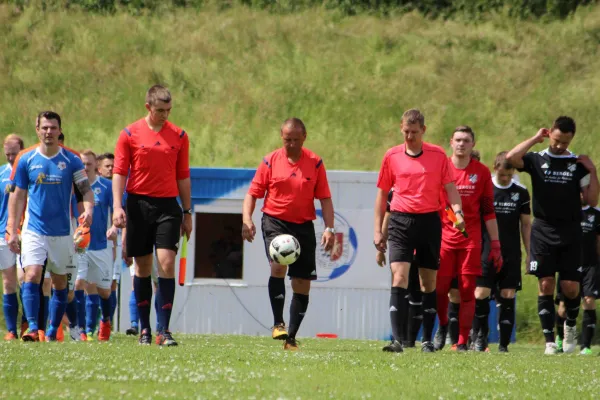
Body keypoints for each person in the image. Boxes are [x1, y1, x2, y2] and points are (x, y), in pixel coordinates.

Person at [506, 116, 599, 354]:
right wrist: (535, 139)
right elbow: (511, 158)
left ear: (571, 140)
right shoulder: (537, 159)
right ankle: (549, 342)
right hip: (543, 229)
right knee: (545, 283)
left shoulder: (577, 165)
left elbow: (591, 200)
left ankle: (569, 326)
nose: (559, 146)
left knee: (570, 288)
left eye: (565, 143)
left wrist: (593, 170)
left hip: (571, 231)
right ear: (551, 134)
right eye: (556, 140)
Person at [374, 109, 464, 353]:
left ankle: (426, 341)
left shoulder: (437, 155)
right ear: (401, 128)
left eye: (414, 132)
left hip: (429, 221)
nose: (410, 136)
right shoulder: (391, 155)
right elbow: (382, 194)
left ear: (424, 130)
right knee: (399, 277)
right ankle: (397, 340)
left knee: (428, 282)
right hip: (401, 221)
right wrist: (378, 230)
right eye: (406, 132)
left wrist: (458, 212)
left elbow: (450, 189)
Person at [242, 118, 335, 351]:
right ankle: (278, 323)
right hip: (275, 222)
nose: (291, 144)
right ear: (281, 138)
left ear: (304, 137)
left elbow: (324, 198)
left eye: (295, 139)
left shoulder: (315, 163)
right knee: (278, 266)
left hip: (303, 226)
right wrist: (247, 220)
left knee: (302, 283)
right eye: (286, 140)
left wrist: (329, 228)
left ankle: (291, 338)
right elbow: (252, 194)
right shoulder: (270, 161)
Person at [113, 85, 192, 346]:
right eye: (160, 111)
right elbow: (120, 172)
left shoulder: (180, 136)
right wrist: (118, 206)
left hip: (168, 207)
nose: (165, 115)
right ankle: (145, 329)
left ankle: (164, 330)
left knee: (166, 263)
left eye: (169, 111)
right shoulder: (129, 134)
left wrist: (187, 211)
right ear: (148, 107)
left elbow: (183, 175)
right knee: (143, 267)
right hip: (138, 205)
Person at [8, 111, 94, 342]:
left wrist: (88, 210)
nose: (48, 132)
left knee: (59, 283)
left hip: (63, 232)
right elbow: (17, 196)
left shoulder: (72, 160)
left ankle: (52, 331)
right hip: (34, 229)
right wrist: (11, 229)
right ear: (37, 130)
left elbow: (85, 190)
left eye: (53, 128)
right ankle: (33, 328)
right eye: (44, 127)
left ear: (59, 130)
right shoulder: (26, 159)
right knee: (32, 275)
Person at [434, 126, 503, 352]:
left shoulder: (481, 173)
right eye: (458, 140)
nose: (462, 144)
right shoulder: (440, 168)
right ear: (451, 143)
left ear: (473, 144)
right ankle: (443, 326)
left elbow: (488, 211)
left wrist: (495, 244)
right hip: (444, 237)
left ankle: (462, 340)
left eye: (466, 140)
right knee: (440, 288)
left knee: (466, 288)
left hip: (470, 238)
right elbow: (434, 203)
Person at [471, 151, 531, 352]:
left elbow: (525, 225)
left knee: (507, 294)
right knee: (481, 293)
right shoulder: (485, 188)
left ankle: (504, 345)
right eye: (501, 174)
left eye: (508, 175)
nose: (505, 178)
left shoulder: (521, 193)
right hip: (486, 249)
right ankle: (480, 338)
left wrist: (529, 252)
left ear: (513, 171)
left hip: (511, 252)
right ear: (494, 169)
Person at [75, 150, 117, 341]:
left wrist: (115, 227)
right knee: (78, 284)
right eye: (82, 164)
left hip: (101, 245)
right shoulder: (73, 186)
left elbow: (118, 210)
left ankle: (106, 321)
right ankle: (81, 330)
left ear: (95, 166)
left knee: (104, 291)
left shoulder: (106, 186)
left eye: (88, 164)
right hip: (80, 245)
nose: (84, 167)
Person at [376, 189, 423, 348]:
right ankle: (398, 338)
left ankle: (409, 341)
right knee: (400, 286)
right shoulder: (394, 191)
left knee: (417, 292)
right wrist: (380, 248)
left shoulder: (428, 186)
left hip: (422, 246)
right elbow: (388, 215)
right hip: (402, 247)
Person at [1, 134, 24, 340]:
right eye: (7, 154)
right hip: (3, 234)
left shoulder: (27, 171)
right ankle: (11, 330)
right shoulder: (0, 174)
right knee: (8, 282)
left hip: (26, 231)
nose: (10, 158)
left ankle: (29, 325)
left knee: (26, 280)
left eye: (14, 154)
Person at [97, 152, 119, 324]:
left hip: (113, 244)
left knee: (111, 284)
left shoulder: (117, 188)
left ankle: (107, 323)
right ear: (99, 168)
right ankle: (88, 326)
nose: (111, 169)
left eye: (113, 166)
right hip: (93, 243)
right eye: (107, 166)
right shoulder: (92, 188)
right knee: (89, 284)